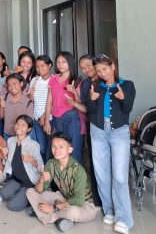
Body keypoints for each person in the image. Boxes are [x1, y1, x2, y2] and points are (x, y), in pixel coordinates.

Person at [85, 55, 135, 234]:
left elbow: (128, 109)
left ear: (113, 66)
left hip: (119, 132)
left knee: (120, 177)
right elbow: (91, 111)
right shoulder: (95, 86)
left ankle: (124, 219)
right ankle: (109, 211)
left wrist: (123, 98)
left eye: (104, 69)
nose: (102, 73)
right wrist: (91, 99)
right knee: (102, 174)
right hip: (98, 131)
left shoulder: (127, 85)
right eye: (98, 71)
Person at [26, 132, 96, 232]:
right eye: (54, 146)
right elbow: (39, 191)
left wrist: (53, 207)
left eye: (61, 147)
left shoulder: (78, 170)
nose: (56, 150)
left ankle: (47, 215)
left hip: (84, 206)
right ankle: (59, 219)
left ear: (70, 150)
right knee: (30, 192)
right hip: (64, 199)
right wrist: (41, 180)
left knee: (73, 212)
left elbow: (79, 200)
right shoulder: (51, 164)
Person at [44, 52, 83, 163]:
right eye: (58, 62)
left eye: (64, 62)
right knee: (54, 149)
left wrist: (74, 91)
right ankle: (55, 174)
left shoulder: (76, 80)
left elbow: (80, 103)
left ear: (70, 63)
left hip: (72, 117)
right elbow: (49, 101)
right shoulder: (53, 79)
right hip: (56, 118)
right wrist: (46, 121)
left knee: (73, 149)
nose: (60, 65)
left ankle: (74, 174)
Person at [0, 115, 43, 211]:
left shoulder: (33, 145)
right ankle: (21, 194)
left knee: (12, 206)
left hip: (30, 182)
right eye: (17, 124)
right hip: (17, 179)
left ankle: (31, 196)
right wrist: (4, 155)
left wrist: (32, 160)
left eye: (23, 125)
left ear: (29, 129)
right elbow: (8, 162)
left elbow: (41, 166)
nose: (19, 127)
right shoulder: (11, 140)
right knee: (3, 194)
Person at [78, 54, 102, 206]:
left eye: (88, 65)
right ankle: (97, 199)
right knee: (94, 163)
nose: (86, 70)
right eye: (82, 68)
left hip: (108, 127)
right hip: (92, 125)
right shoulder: (85, 84)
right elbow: (87, 107)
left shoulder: (105, 80)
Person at [29, 55, 53, 160]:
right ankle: (42, 168)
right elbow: (31, 99)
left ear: (49, 65)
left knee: (51, 148)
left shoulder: (54, 80)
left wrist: (44, 117)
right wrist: (31, 94)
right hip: (36, 119)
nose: (40, 69)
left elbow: (55, 102)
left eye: (42, 66)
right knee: (41, 147)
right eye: (37, 66)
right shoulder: (34, 80)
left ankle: (50, 169)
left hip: (50, 119)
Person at [0, 74, 34, 142]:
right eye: (9, 85)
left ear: (21, 83)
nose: (12, 87)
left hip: (21, 137)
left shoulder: (28, 102)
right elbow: (0, 117)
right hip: (7, 134)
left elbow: (29, 123)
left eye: (14, 84)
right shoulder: (4, 98)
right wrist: (1, 106)